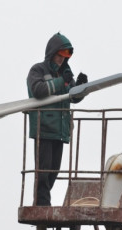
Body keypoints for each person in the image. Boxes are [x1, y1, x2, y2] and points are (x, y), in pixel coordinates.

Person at [26, 32, 88, 206]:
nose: (61, 60)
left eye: (64, 57)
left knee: (53, 171)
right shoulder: (38, 70)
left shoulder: (66, 73)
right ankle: (41, 204)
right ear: (52, 53)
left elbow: (73, 98)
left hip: (60, 131)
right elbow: (38, 90)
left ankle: (42, 202)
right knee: (43, 172)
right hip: (44, 128)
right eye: (59, 55)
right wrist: (62, 82)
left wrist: (82, 88)